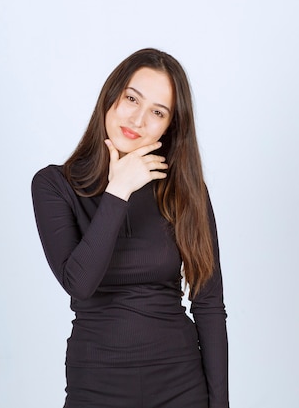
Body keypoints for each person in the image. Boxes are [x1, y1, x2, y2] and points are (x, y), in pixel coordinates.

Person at [31, 48, 228, 408]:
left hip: (180, 384)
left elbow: (209, 303)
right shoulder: (53, 185)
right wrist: (118, 190)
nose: (138, 119)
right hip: (96, 384)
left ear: (171, 126)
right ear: (110, 96)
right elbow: (80, 282)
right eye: (131, 100)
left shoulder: (185, 189)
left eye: (157, 112)